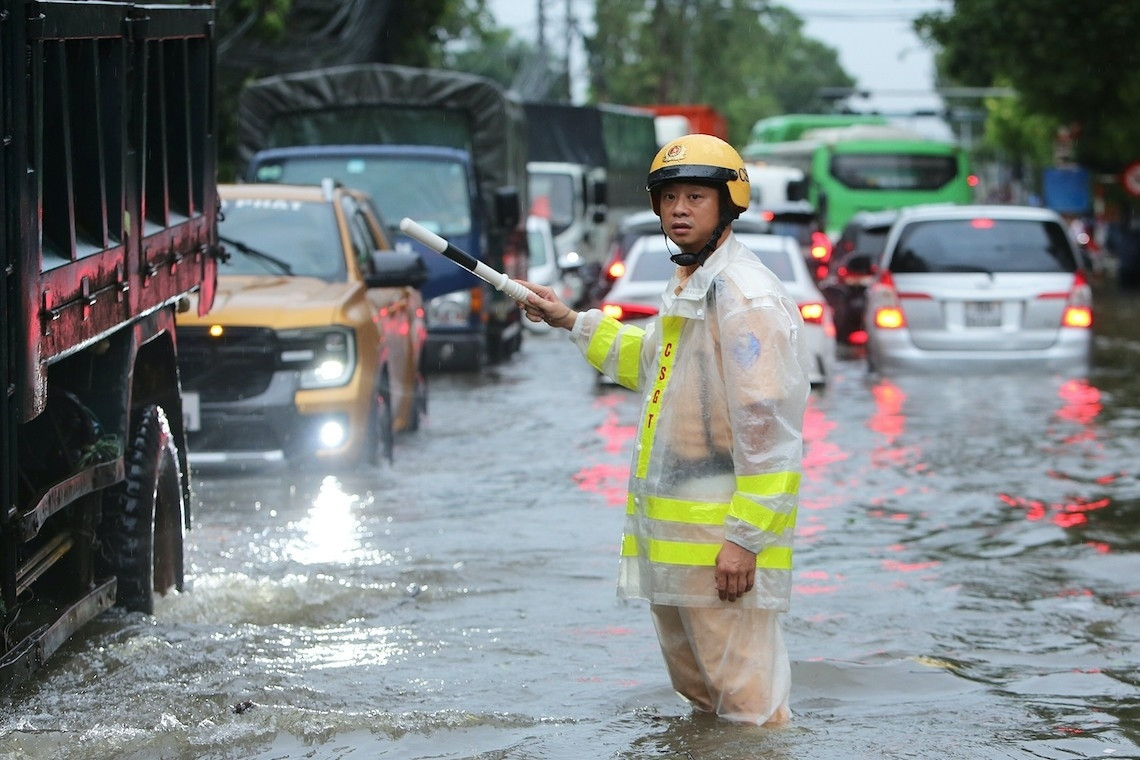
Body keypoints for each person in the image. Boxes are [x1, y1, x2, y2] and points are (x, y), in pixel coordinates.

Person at [517, 134, 812, 725]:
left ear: (729, 203)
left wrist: (745, 539)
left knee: (748, 707)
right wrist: (571, 320)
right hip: (680, 544)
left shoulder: (743, 295)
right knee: (705, 700)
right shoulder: (692, 284)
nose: (679, 209)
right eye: (669, 196)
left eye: (696, 196)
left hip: (724, 546)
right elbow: (654, 365)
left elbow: (767, 426)